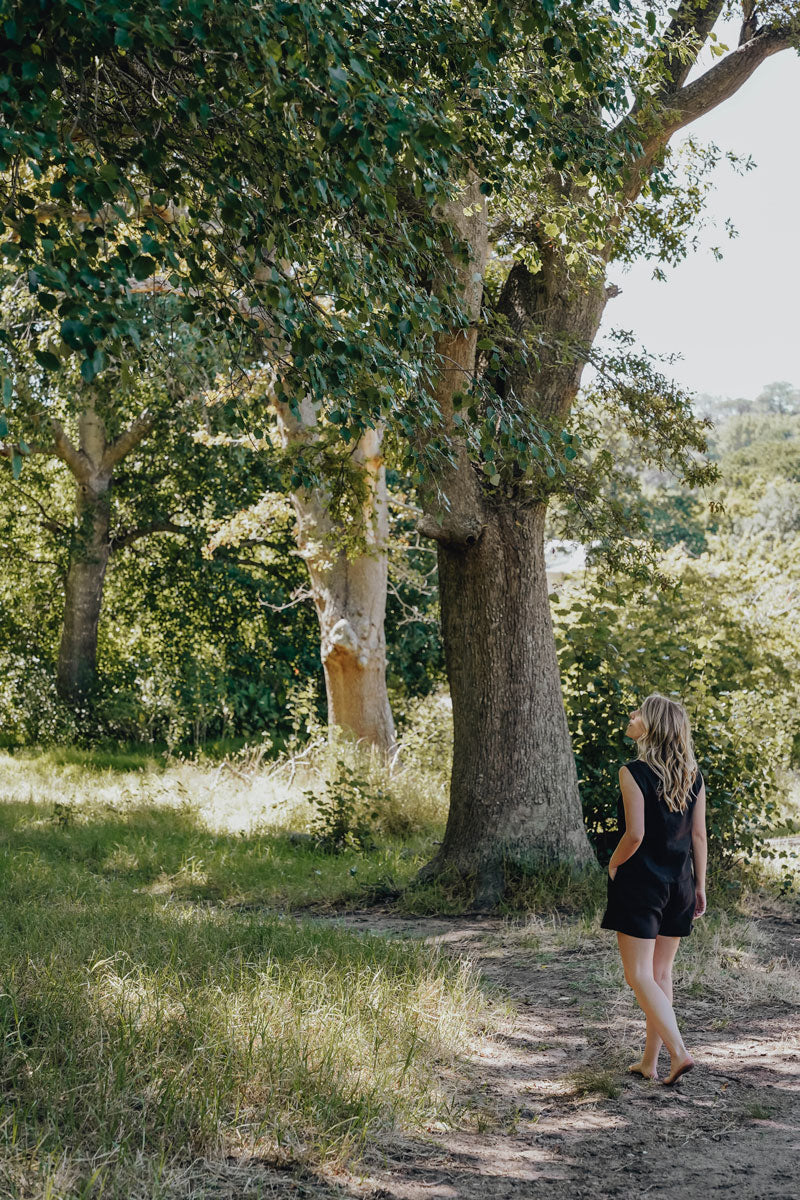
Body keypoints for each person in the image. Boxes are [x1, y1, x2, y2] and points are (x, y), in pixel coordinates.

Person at [600, 692, 708, 1086]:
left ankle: (679, 1053)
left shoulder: (633, 772)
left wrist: (613, 863)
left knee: (639, 976)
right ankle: (650, 1063)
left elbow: (635, 834)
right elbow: (698, 835)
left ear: (653, 725)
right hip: (679, 885)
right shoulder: (692, 775)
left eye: (639, 712)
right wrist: (700, 885)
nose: (631, 715)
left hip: (642, 884)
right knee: (661, 974)